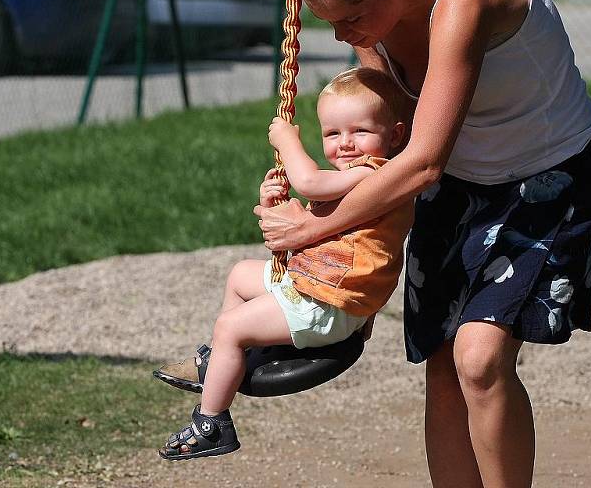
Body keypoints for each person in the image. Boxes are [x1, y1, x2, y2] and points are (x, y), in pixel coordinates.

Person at [253, 0, 591, 488]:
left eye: (351, 17)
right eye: (332, 23)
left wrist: (310, 230)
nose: (344, 35)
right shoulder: (378, 25)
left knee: (479, 362)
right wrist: (314, 198)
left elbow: (422, 162)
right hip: (458, 183)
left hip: (547, 178)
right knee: (444, 367)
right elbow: (389, 145)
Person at [156, 67, 414, 460]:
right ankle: (223, 359)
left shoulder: (376, 173)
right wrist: (275, 197)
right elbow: (314, 215)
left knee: (231, 326)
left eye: (359, 131)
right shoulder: (349, 176)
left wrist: (287, 141)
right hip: (313, 286)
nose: (345, 144)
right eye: (332, 134)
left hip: (328, 305)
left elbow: (309, 183)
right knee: (240, 275)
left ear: (393, 135)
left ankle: (212, 423)